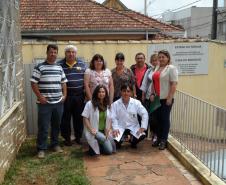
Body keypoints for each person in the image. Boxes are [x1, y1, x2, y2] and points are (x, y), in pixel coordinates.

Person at [30, 44, 67, 158]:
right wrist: (40, 97)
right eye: (51, 52)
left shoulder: (59, 67)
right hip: (44, 104)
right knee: (44, 127)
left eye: (55, 52)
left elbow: (64, 82)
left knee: (56, 125)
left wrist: (64, 95)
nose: (53, 54)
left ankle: (55, 144)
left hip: (58, 102)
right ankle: (41, 148)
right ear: (47, 53)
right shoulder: (39, 67)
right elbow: (33, 82)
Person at [58, 45, 87, 146]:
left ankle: (78, 137)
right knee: (65, 118)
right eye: (68, 52)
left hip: (79, 96)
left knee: (78, 118)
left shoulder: (82, 64)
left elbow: (86, 80)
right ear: (65, 53)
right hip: (65, 96)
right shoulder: (59, 65)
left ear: (76, 54)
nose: (71, 54)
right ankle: (67, 138)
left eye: (73, 52)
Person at [150, 50, 178, 150]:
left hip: (166, 98)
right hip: (157, 98)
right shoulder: (157, 67)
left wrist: (170, 97)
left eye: (163, 57)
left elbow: (174, 84)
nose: (161, 59)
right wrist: (152, 93)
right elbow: (154, 82)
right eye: (160, 57)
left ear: (168, 58)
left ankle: (163, 140)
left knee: (164, 119)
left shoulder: (171, 68)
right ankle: (158, 138)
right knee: (156, 120)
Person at [111, 83, 148, 149]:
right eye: (124, 91)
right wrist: (115, 128)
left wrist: (143, 127)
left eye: (128, 91)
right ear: (121, 92)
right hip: (120, 127)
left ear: (131, 92)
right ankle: (121, 140)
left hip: (133, 127)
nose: (126, 93)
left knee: (142, 135)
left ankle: (132, 141)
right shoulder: (115, 104)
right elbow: (113, 117)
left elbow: (144, 113)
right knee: (115, 140)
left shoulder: (136, 103)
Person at [82, 85, 116, 156]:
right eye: (99, 92)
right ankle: (95, 147)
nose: (101, 94)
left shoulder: (107, 104)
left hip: (104, 131)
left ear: (106, 93)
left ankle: (98, 146)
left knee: (109, 151)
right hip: (94, 131)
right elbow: (85, 118)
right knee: (102, 138)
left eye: (103, 92)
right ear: (96, 93)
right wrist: (91, 129)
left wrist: (108, 129)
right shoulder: (90, 104)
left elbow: (110, 119)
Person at [140, 54, 159, 141]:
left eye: (156, 60)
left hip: (157, 97)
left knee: (155, 117)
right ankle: (146, 134)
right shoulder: (149, 70)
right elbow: (145, 83)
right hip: (148, 96)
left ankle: (155, 134)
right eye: (153, 60)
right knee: (146, 115)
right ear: (151, 62)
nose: (155, 62)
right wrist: (143, 95)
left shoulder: (162, 70)